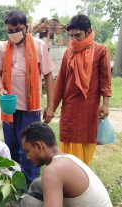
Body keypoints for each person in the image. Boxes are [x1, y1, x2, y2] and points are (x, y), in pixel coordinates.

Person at [0, 9, 55, 186]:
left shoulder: (38, 45)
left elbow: (49, 76)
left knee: (29, 153)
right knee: (11, 150)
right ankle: (14, 187)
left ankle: (31, 188)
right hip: (9, 109)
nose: (12, 34)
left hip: (30, 110)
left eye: (16, 29)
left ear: (26, 27)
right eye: (9, 30)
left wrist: (50, 106)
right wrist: (1, 88)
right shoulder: (3, 48)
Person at [53, 14, 112, 165]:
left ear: (88, 31)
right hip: (70, 108)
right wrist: (51, 108)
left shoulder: (101, 51)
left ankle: (82, 181)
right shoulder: (68, 52)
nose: (74, 39)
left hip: (89, 108)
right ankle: (68, 181)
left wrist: (105, 104)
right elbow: (60, 82)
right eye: (71, 35)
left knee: (85, 147)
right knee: (67, 147)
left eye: (78, 35)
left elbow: (105, 81)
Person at [19, 122, 112, 207]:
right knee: (37, 184)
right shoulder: (68, 158)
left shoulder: (52, 171)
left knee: (27, 202)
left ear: (39, 146)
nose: (28, 157)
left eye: (28, 151)